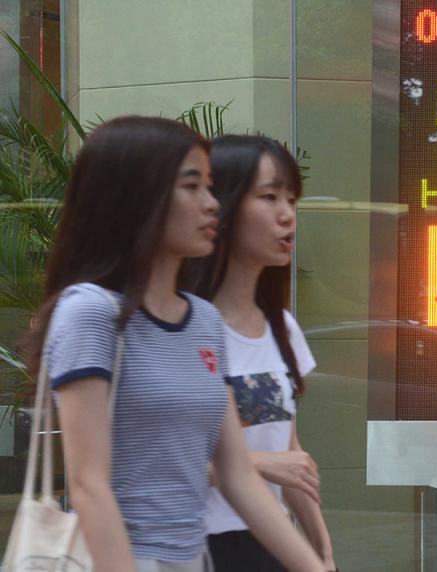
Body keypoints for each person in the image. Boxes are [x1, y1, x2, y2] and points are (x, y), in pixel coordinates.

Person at [23, 117, 326, 572]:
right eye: (192, 187)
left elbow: (238, 476)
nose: (212, 205)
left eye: (211, 187)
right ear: (139, 195)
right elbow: (88, 485)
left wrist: (316, 565)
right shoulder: (90, 312)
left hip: (194, 558)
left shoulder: (202, 321)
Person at [193, 135, 336, 572]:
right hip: (199, 544)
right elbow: (157, 461)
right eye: (269, 197)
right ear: (221, 205)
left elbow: (291, 454)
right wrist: (260, 464)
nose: (287, 215)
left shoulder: (282, 329)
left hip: (270, 540)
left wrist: (322, 550)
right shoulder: (185, 330)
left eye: (292, 199)